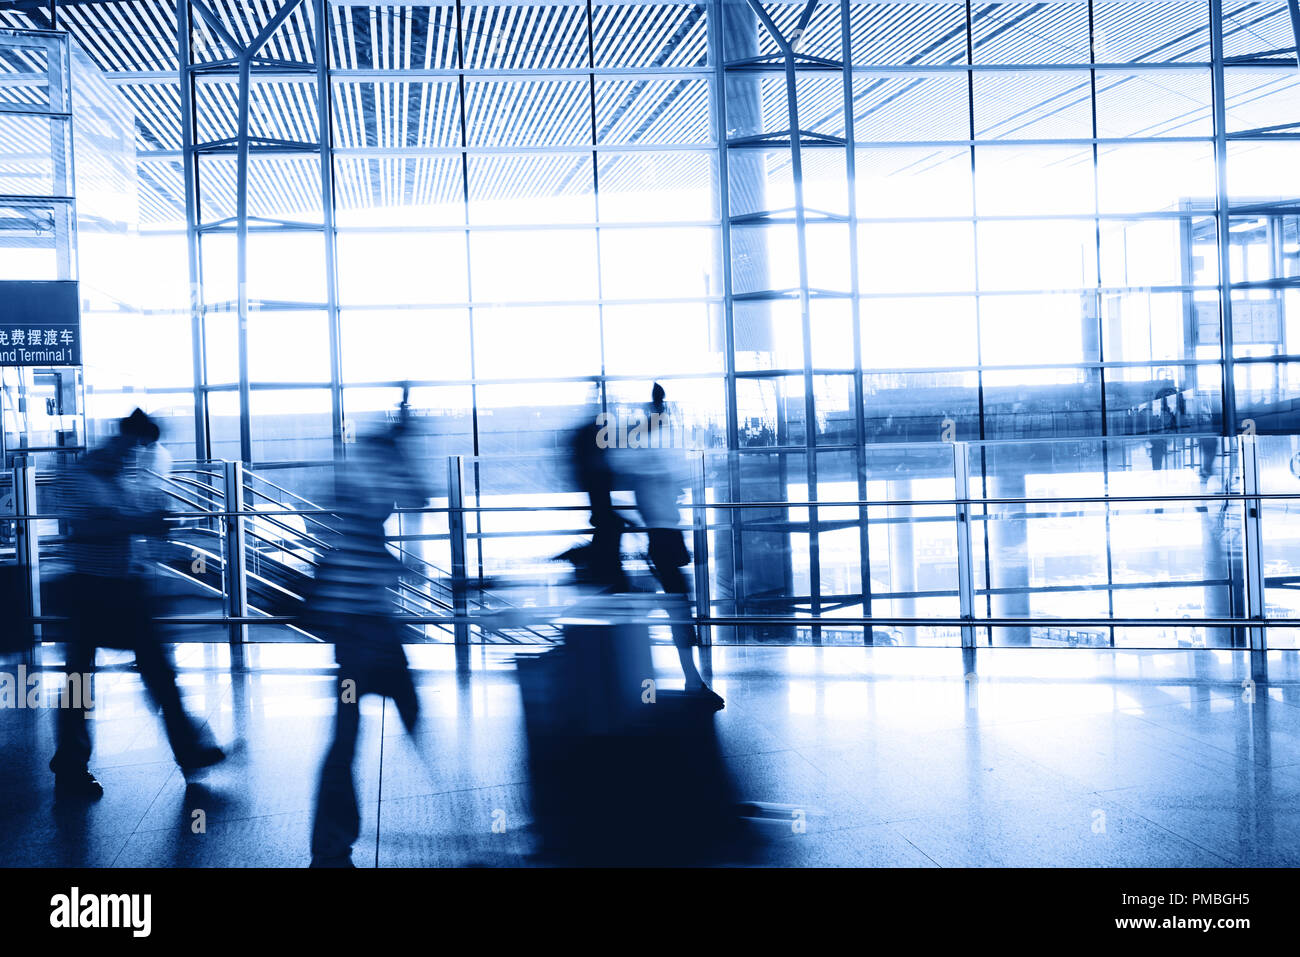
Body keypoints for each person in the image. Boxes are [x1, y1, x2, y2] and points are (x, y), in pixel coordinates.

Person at [49, 409, 224, 799]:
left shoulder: (125, 471)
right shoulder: (81, 477)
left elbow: (133, 519)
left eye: (142, 448)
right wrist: (142, 523)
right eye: (135, 446)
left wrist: (149, 524)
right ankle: (71, 765)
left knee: (152, 672)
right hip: (89, 589)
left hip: (125, 587)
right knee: (82, 679)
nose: (138, 455)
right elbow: (90, 528)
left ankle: (188, 751)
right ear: (121, 439)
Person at [308, 398, 429, 867]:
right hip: (363, 622)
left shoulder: (361, 466)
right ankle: (331, 842)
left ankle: (332, 842)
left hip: (359, 620)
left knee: (349, 728)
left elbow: (396, 507)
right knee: (372, 722)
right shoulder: (370, 468)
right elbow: (414, 499)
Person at [632, 383, 723, 710]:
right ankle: (688, 681)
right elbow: (673, 477)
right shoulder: (654, 448)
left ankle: (683, 680)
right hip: (664, 534)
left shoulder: (646, 448)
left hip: (662, 533)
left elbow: (655, 488)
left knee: (673, 607)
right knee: (678, 608)